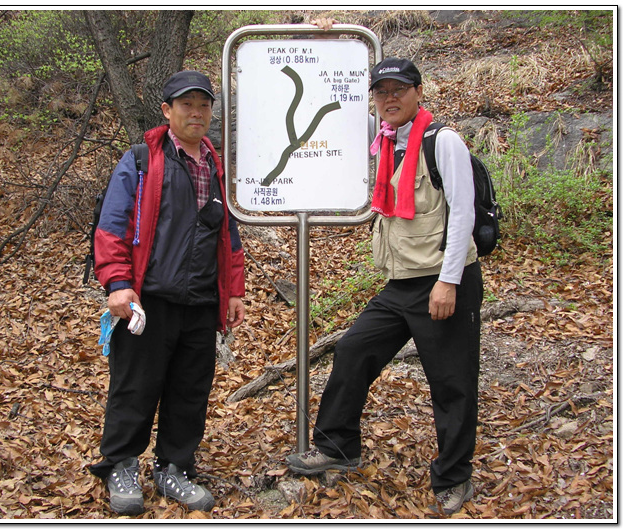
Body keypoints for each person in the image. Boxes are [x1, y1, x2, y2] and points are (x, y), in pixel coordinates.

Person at [285, 56, 483, 517]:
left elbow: (464, 214)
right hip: (401, 284)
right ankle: (339, 446)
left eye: (398, 89)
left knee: (451, 382)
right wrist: (322, 33)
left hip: (442, 279)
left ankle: (454, 477)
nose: (389, 98)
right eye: (381, 92)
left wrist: (448, 281)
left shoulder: (443, 141)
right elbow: (319, 110)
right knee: (354, 349)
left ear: (418, 91)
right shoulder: (385, 142)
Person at [89, 70, 246, 515]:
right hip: (149, 299)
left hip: (200, 302)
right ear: (167, 110)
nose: (196, 113)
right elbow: (112, 225)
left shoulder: (215, 167)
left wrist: (233, 291)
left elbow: (229, 235)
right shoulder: (141, 160)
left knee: (190, 389)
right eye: (186, 105)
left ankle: (174, 465)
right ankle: (120, 462)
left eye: (203, 106)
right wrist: (118, 284)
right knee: (135, 386)